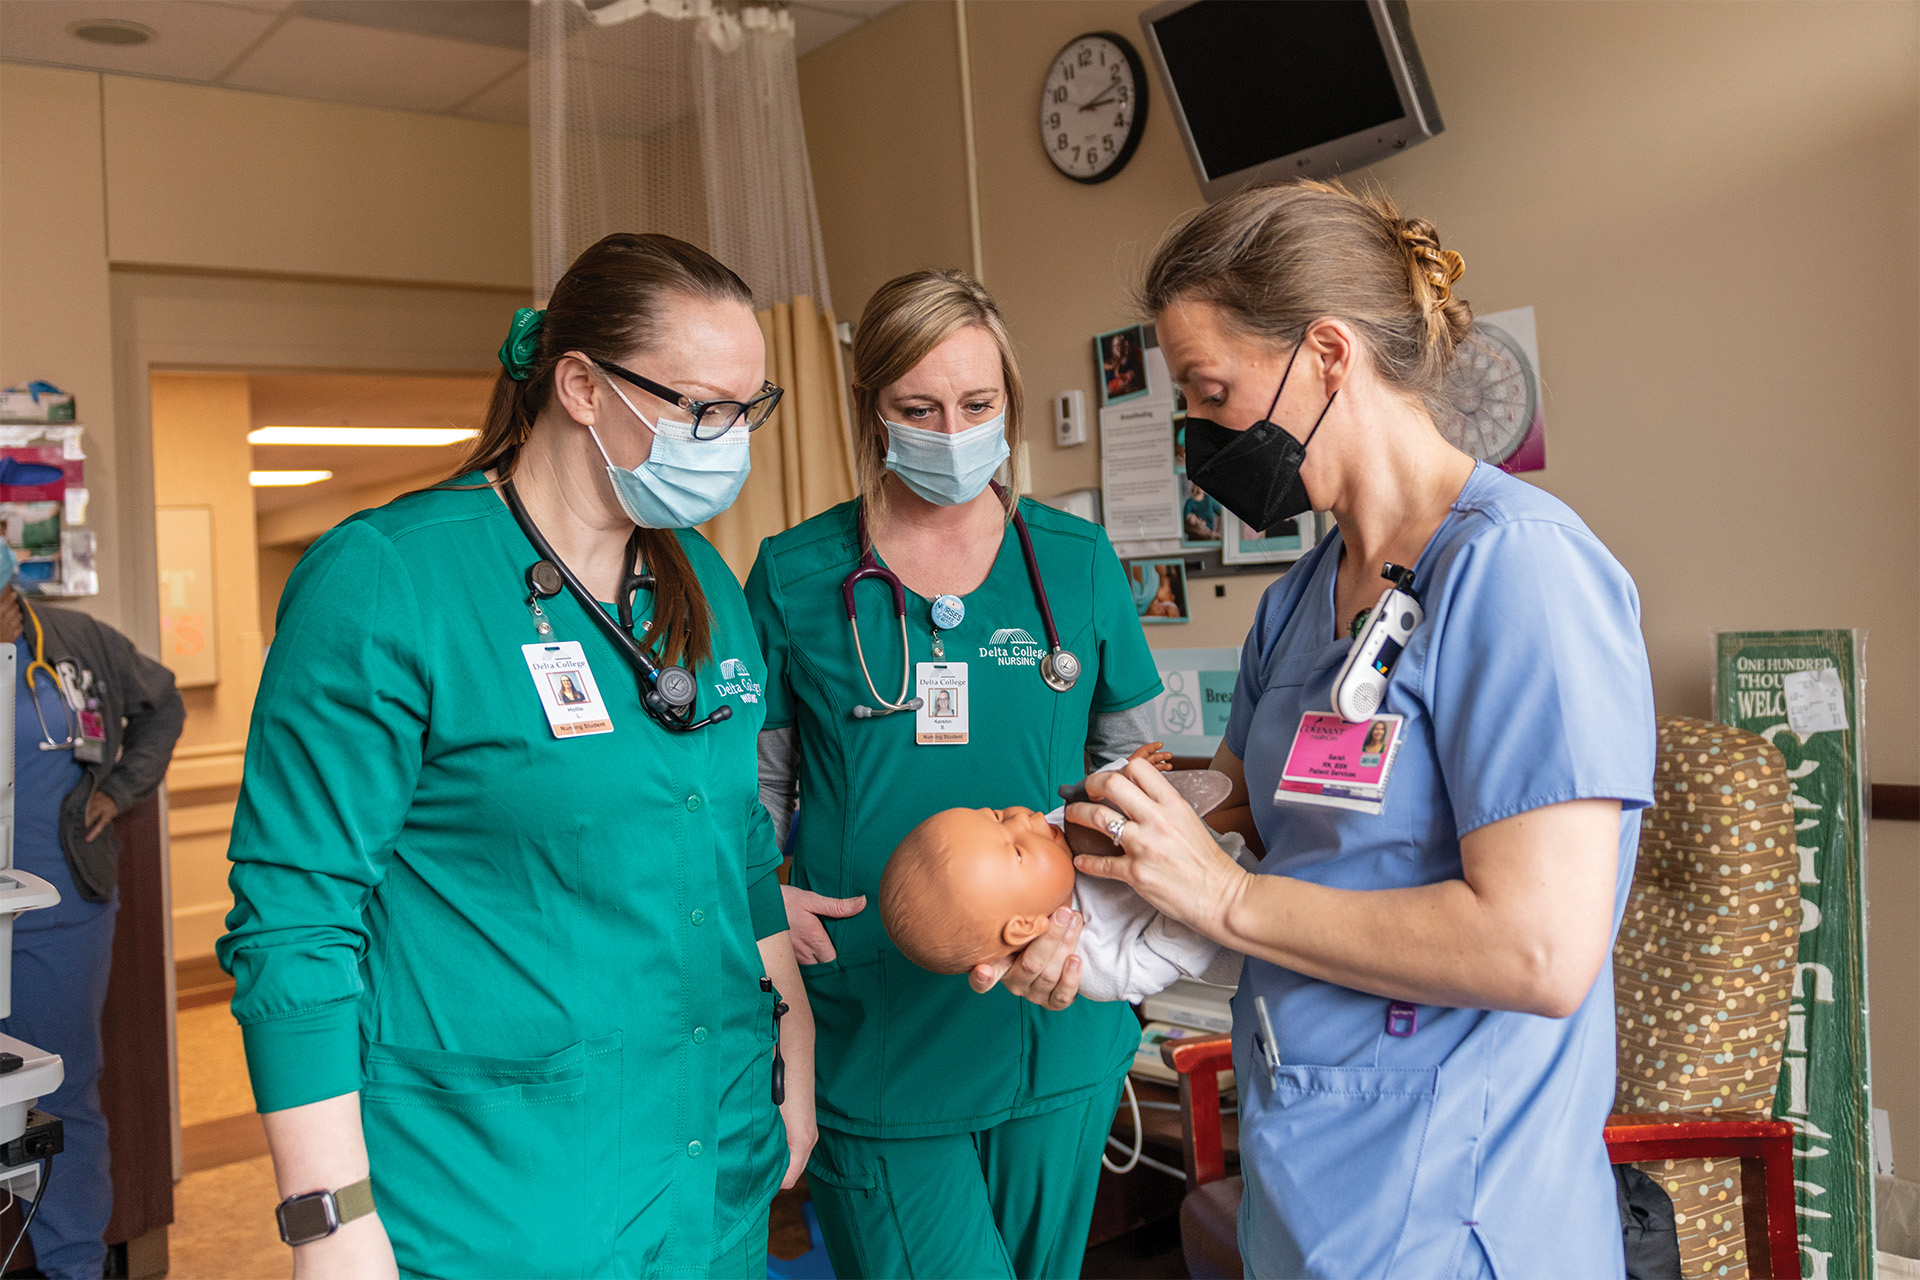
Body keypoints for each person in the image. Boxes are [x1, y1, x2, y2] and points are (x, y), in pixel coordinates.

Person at [993, 180, 1657, 1279]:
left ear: (1329, 354)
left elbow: (1539, 948)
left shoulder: (1519, 572)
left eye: (1211, 392)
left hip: (1462, 1208)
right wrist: (1068, 885)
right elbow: (1246, 803)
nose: (1197, 437)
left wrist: (1229, 896)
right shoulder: (1301, 599)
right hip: (1309, 1180)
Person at [219, 233, 814, 1279]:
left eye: (749, 409)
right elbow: (295, 919)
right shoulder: (390, 580)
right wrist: (331, 1219)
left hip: (704, 1161)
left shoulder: (706, 592)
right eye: (702, 408)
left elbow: (734, 839)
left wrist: (790, 1042)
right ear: (581, 384)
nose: (729, 440)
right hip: (495, 1185)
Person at [746, 270, 1163, 1280]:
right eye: (918, 408)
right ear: (871, 410)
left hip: (1055, 1013)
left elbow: (1135, 773)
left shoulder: (1076, 560)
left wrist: (1110, 907)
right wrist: (766, 898)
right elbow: (749, 792)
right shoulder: (798, 574)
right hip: (879, 1028)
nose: (953, 430)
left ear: (1009, 404)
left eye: (978, 406)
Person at [1, 547, 184, 1280]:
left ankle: (74, 1265)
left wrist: (120, 789)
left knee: (63, 1089)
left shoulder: (77, 644)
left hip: (61, 907)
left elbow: (162, 704)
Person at [879, 745, 1252, 1002]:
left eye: (996, 815)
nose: (1028, 818)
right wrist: (1192, 894)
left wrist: (1124, 778)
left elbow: (1094, 798)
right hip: (1245, 939)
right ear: (1024, 926)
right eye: (1018, 850)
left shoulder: (1056, 833)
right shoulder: (1086, 958)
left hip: (1242, 850)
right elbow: (1166, 958)